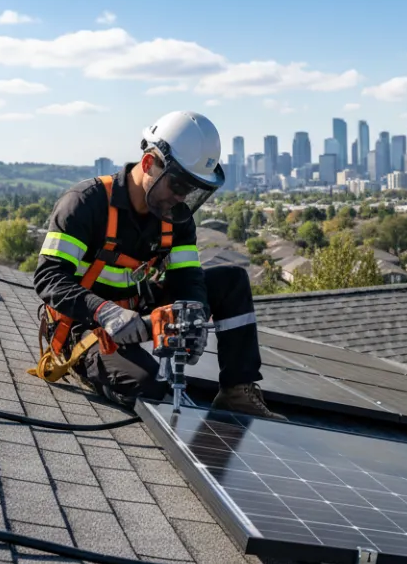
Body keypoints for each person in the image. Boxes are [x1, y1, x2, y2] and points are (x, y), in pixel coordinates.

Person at [33, 110, 282, 419]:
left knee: (231, 280)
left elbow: (189, 278)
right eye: (177, 186)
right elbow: (48, 277)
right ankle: (88, 367)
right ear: (149, 163)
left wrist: (194, 315)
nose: (181, 198)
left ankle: (237, 390)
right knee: (151, 385)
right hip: (84, 323)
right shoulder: (86, 203)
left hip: (137, 310)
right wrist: (104, 310)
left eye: (190, 191)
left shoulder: (175, 217)